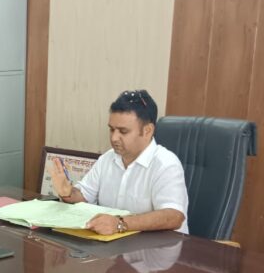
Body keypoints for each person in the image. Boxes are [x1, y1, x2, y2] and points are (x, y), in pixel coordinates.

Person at [49, 90, 189, 235]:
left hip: (160, 246)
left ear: (147, 130)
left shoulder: (166, 164)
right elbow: (84, 195)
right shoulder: (107, 159)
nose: (114, 138)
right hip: (117, 244)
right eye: (111, 129)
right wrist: (68, 193)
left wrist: (120, 223)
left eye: (123, 131)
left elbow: (174, 216)